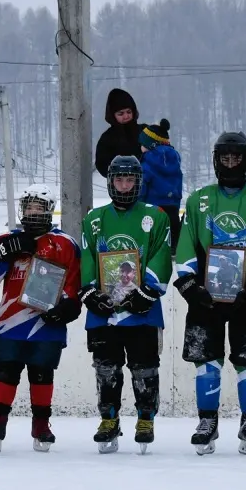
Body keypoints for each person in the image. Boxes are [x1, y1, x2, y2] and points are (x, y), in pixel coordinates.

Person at [172, 132, 246, 455]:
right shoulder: (198, 201)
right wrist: (191, 288)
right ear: (216, 159)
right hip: (206, 297)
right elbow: (186, 247)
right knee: (206, 360)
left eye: (237, 158)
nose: (230, 163)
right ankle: (207, 421)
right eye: (225, 157)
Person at [0, 184, 82, 453]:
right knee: (5, 372)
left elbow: (74, 282)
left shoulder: (64, 243)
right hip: (10, 321)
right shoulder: (8, 239)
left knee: (42, 374)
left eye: (38, 207)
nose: (33, 212)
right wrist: (2, 254)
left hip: (47, 323)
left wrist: (67, 307)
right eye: (29, 207)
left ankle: (41, 428)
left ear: (49, 210)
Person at [79, 155, 172, 453]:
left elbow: (161, 255)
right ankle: (109, 419)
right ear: (110, 182)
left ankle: (145, 419)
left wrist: (147, 292)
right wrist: (90, 293)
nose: (123, 185)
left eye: (129, 179)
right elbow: (87, 258)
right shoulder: (94, 219)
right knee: (106, 369)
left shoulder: (156, 216)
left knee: (145, 368)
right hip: (105, 313)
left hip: (142, 311)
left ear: (138, 182)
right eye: (119, 179)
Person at [139, 119, 183, 245]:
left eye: (142, 144)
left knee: (152, 245)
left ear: (150, 145)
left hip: (151, 210)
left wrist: (138, 205)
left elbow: (141, 188)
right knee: (172, 244)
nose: (140, 147)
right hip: (173, 210)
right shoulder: (175, 161)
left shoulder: (146, 164)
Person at [93, 88, 142, 178]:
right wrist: (120, 173)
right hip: (120, 184)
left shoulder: (144, 132)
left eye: (129, 112)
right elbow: (101, 164)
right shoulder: (107, 138)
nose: (126, 116)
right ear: (112, 115)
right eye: (121, 114)